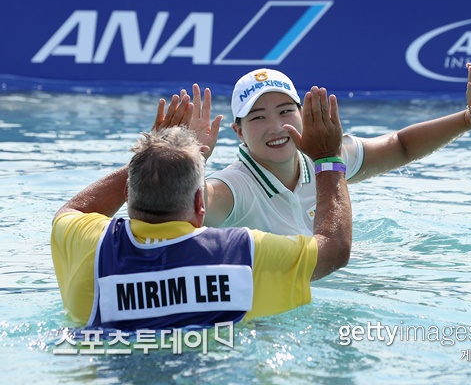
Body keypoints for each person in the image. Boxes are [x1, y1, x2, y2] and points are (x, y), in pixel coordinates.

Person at [50, 88, 351, 330]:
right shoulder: (242, 253)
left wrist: (156, 152)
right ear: (200, 204)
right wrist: (328, 158)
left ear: (129, 192)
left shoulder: (92, 244)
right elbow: (334, 249)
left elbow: (73, 209)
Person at [177, 63, 471, 236]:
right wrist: (190, 158)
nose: (276, 126)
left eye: (286, 111)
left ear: (303, 114)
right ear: (239, 132)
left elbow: (400, 146)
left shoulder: (325, 155)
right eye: (258, 117)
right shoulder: (235, 188)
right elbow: (186, 209)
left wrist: (467, 119)